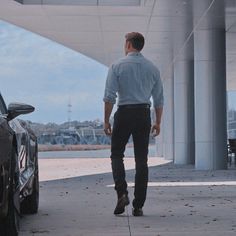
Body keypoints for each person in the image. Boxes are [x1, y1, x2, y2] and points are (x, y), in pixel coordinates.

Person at [103, 32, 164, 216]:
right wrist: (158, 122)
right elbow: (159, 99)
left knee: (116, 154)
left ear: (128, 44)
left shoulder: (117, 66)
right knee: (141, 160)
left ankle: (122, 193)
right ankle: (138, 205)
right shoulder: (152, 68)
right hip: (143, 114)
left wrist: (106, 120)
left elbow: (109, 96)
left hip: (124, 112)